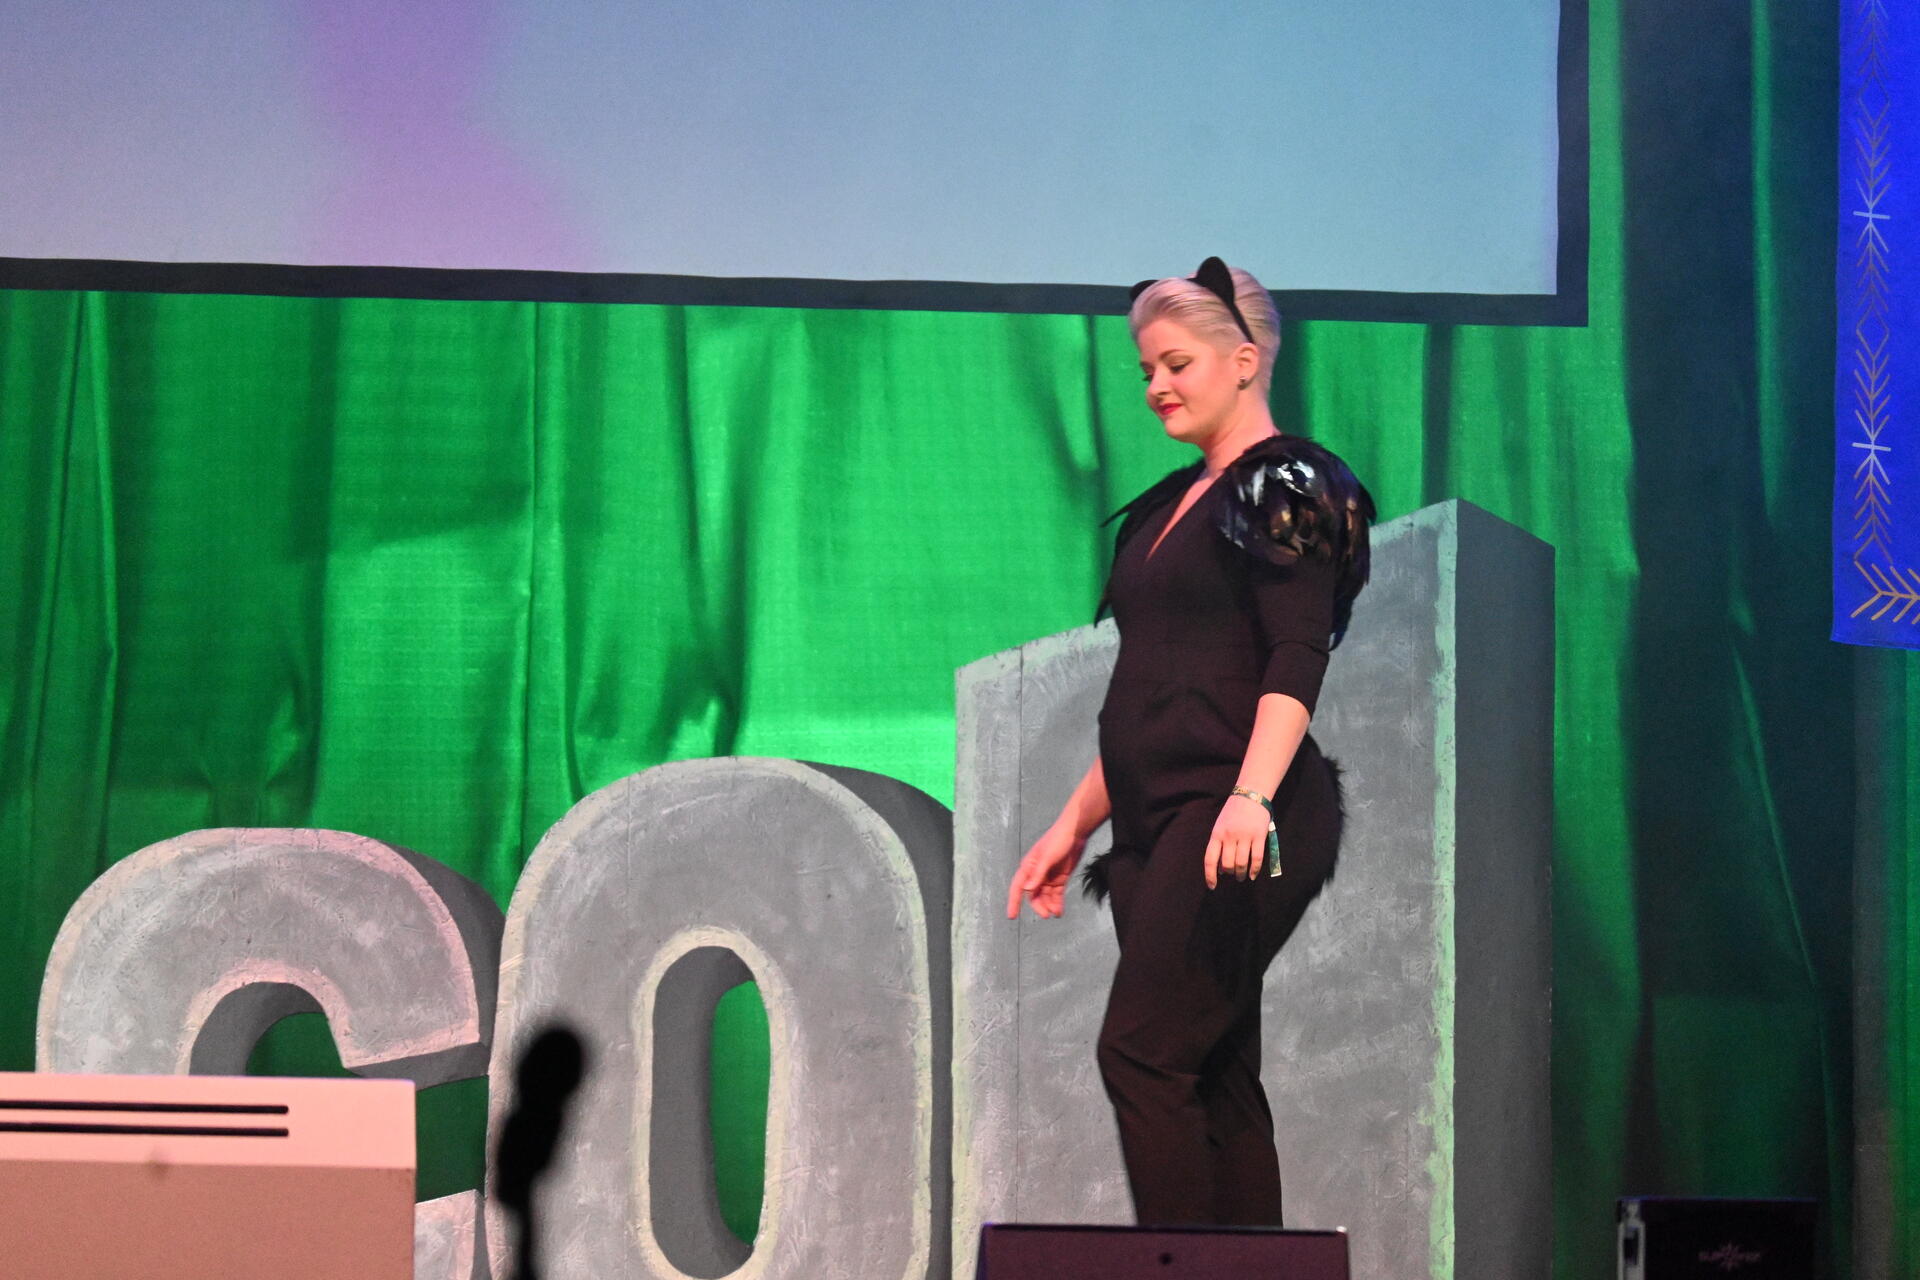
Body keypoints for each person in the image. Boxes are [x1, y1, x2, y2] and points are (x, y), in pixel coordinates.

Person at [1005, 257, 1374, 1227]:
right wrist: (1074, 824)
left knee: (1144, 1052)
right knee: (1212, 1070)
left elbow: (1295, 652)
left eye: (1177, 364)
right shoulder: (1174, 502)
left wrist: (1251, 798)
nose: (1157, 386)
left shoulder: (1285, 483)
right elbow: (1159, 693)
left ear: (1244, 360)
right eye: (1146, 370)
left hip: (1235, 813)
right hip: (1154, 824)